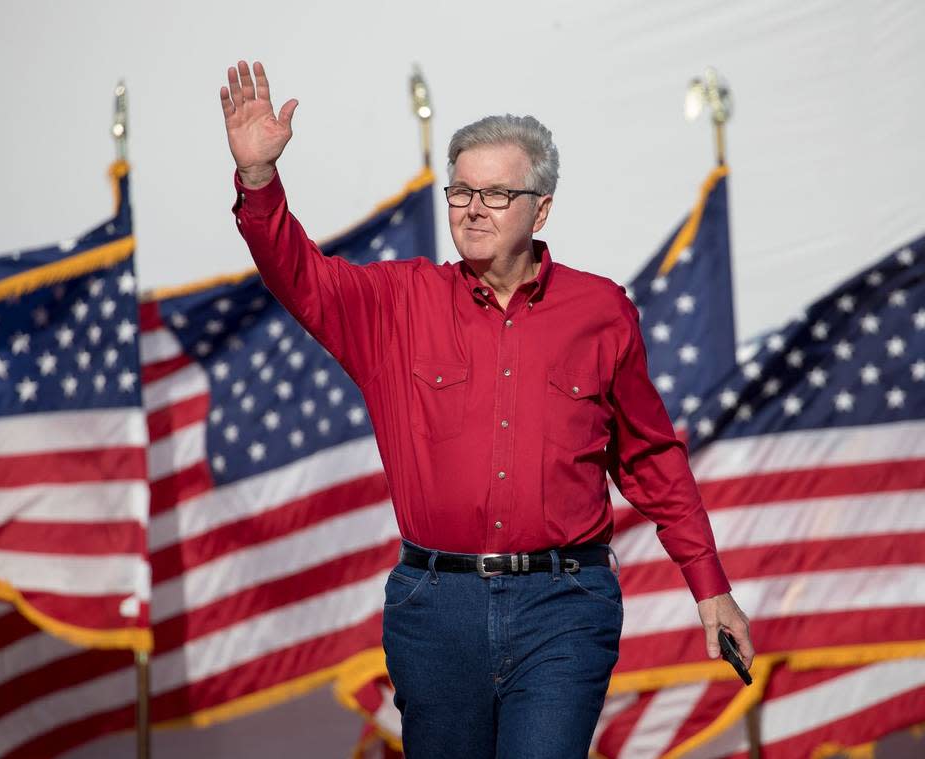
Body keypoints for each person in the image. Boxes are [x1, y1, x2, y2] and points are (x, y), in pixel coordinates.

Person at [220, 59, 754, 757]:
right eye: (461, 191)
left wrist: (709, 586)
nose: (472, 208)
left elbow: (650, 457)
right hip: (435, 608)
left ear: (543, 207)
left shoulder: (600, 312)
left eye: (496, 193)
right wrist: (259, 180)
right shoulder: (397, 303)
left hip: (565, 605)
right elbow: (298, 274)